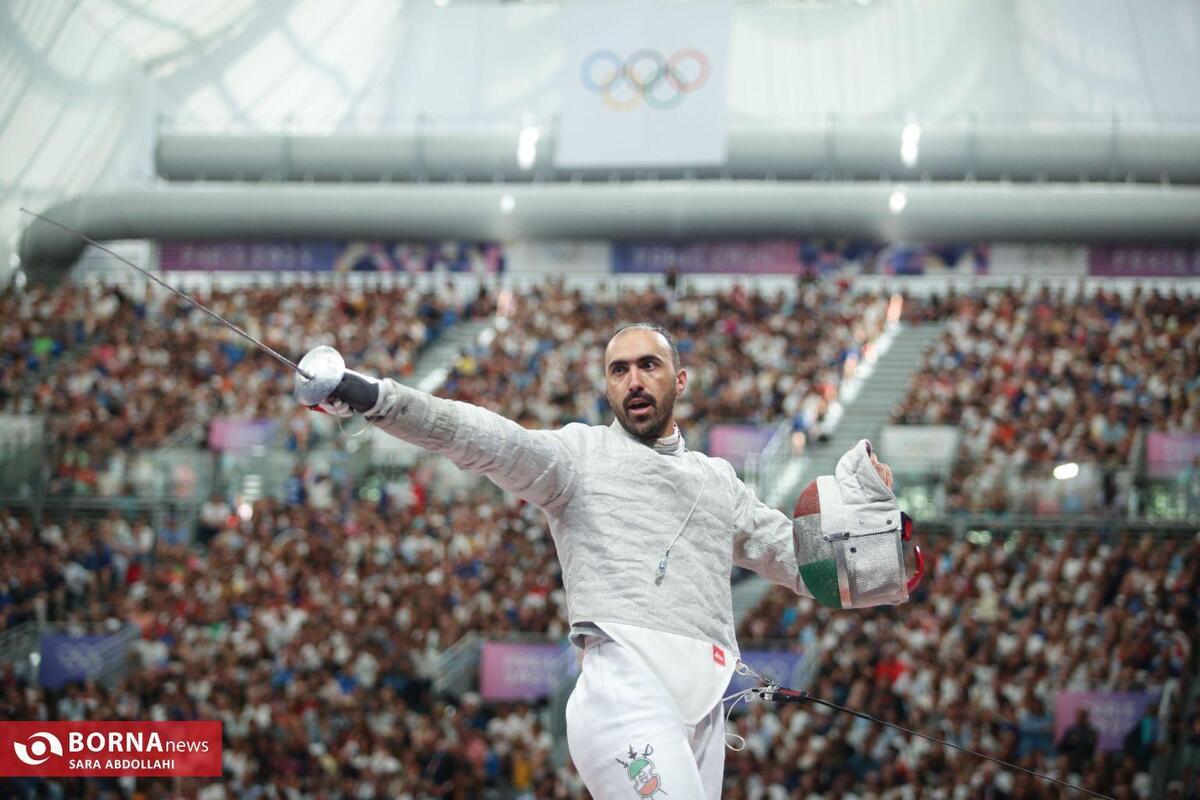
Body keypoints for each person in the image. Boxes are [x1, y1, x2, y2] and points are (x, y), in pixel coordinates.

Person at [296, 322, 918, 799]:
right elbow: (484, 438)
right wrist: (376, 397)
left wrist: (868, 536)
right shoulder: (579, 457)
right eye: (618, 370)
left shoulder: (718, 480)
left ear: (680, 380)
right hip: (624, 696)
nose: (633, 381)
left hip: (702, 709)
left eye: (649, 365)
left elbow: (802, 564)